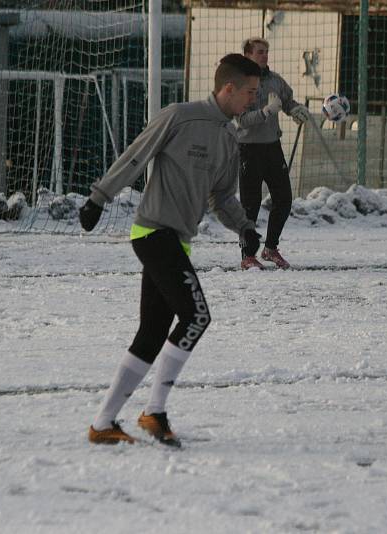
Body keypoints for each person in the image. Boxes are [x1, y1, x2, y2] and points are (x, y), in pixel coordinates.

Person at [78, 53, 263, 446]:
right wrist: (99, 197)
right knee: (196, 316)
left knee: (152, 332)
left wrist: (245, 229)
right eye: (250, 92)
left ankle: (103, 423)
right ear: (228, 88)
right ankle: (154, 412)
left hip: (178, 241)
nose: (254, 101)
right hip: (152, 232)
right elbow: (136, 155)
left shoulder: (230, 138)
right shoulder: (179, 116)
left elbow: (223, 198)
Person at [235, 37, 312, 270]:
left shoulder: (275, 80)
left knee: (284, 199)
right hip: (249, 149)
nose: (265, 56)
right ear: (247, 55)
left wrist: (296, 110)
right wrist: (266, 112)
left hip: (272, 147)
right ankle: (248, 255)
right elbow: (243, 120)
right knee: (251, 205)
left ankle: (270, 248)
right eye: (260, 52)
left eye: (266, 52)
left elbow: (287, 101)